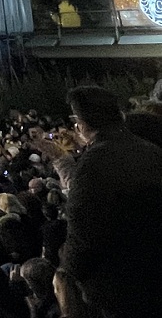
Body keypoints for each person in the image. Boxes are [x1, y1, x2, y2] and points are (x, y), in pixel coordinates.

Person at [58, 85, 162, 318]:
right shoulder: (150, 151)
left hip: (120, 288)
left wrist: (69, 270)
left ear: (82, 124)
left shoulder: (93, 166)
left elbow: (82, 234)